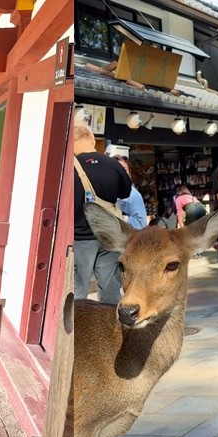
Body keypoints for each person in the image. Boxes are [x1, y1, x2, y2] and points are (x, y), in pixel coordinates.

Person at [73, 118, 132, 303]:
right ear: (91, 139)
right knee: (109, 286)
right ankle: (109, 326)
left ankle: (77, 328)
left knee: (78, 288)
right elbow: (125, 192)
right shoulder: (112, 164)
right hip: (109, 235)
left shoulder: (69, 168)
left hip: (81, 237)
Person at [115, 157, 148, 230]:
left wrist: (123, 219)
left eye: (124, 169)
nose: (121, 172)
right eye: (116, 169)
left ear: (129, 173)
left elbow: (141, 223)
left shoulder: (133, 195)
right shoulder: (104, 191)